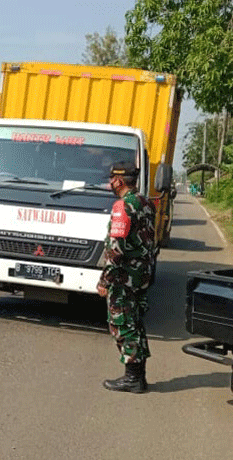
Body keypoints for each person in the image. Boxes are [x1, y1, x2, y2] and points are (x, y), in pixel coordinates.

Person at [96, 161, 155, 393]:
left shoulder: (123, 207)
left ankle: (133, 378)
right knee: (136, 323)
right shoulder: (145, 203)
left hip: (124, 278)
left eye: (112, 179)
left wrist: (105, 280)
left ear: (119, 180)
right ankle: (138, 376)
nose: (110, 183)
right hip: (141, 274)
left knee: (122, 325)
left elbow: (116, 250)